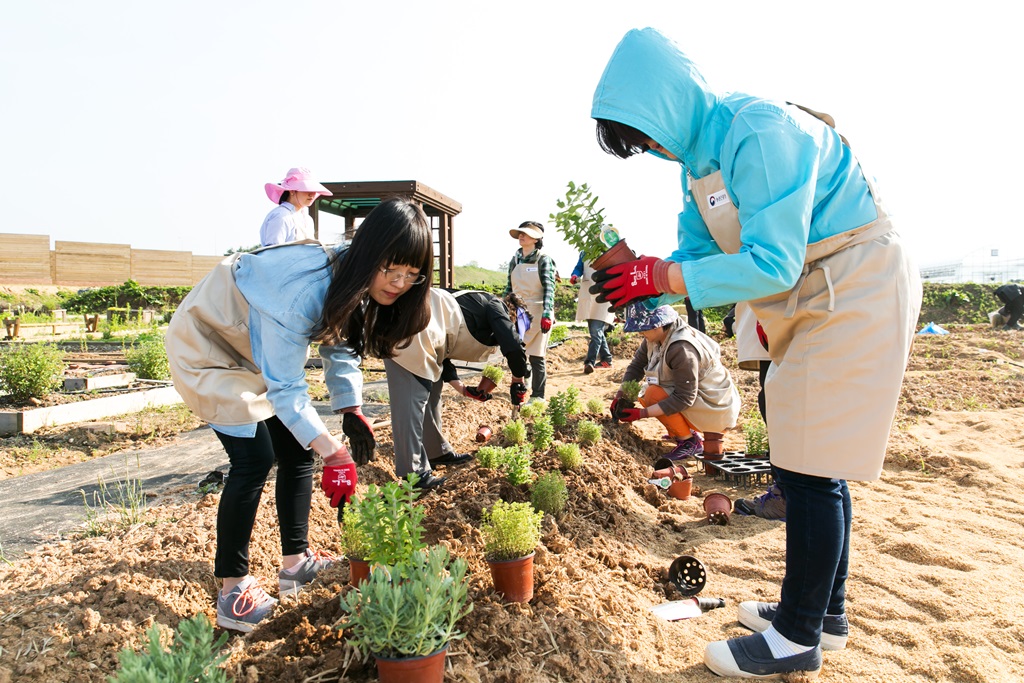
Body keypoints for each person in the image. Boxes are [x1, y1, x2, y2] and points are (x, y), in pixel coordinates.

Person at [589, 28, 922, 679]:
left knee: (809, 462)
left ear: (668, 102)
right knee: (806, 458)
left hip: (851, 280)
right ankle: (824, 614)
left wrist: (662, 277)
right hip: (807, 292)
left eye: (646, 133)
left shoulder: (758, 129)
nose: (652, 149)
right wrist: (643, 270)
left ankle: (797, 635)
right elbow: (698, 259)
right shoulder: (699, 168)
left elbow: (770, 261)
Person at [165, 198, 432, 632]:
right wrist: (332, 450)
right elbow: (287, 389)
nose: (399, 283)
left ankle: (295, 563)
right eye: (391, 270)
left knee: (294, 451)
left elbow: (340, 343)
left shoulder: (350, 276)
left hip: (249, 351)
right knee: (253, 458)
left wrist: (350, 408)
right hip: (208, 346)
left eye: (411, 275)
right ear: (370, 253)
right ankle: (233, 590)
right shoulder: (303, 287)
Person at [384, 288, 530, 488]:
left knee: (433, 392)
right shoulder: (495, 305)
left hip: (424, 336)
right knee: (412, 400)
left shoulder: (473, 308)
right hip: (409, 331)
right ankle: (414, 474)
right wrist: (518, 379)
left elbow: (444, 349)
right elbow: (512, 344)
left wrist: (462, 388)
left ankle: (436, 452)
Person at [610, 303, 739, 461]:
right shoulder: (657, 336)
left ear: (659, 324)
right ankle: (682, 431)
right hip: (698, 397)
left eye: (643, 328)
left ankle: (689, 443)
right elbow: (637, 366)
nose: (640, 332)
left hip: (715, 406)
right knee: (648, 392)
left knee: (652, 394)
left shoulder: (681, 348)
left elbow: (684, 397)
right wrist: (621, 394)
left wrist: (641, 414)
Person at [504, 221, 556, 401]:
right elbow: (509, 287)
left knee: (537, 355)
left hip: (539, 310)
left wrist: (547, 314)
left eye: (525, 233)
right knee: (518, 352)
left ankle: (538, 395)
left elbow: (550, 288)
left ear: (536, 239)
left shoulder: (543, 260)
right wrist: (504, 307)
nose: (521, 236)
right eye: (520, 233)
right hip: (518, 311)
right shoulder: (515, 260)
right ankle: (522, 383)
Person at [260, 167, 333, 246]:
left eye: (314, 190)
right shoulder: (281, 216)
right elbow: (273, 252)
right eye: (307, 189)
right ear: (292, 191)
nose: (312, 194)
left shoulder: (307, 219)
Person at [570, 252, 615, 373]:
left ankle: (589, 362)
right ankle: (607, 360)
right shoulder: (584, 252)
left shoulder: (607, 250)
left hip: (603, 294)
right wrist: (575, 275)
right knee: (596, 331)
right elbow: (579, 267)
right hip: (588, 294)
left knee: (596, 331)